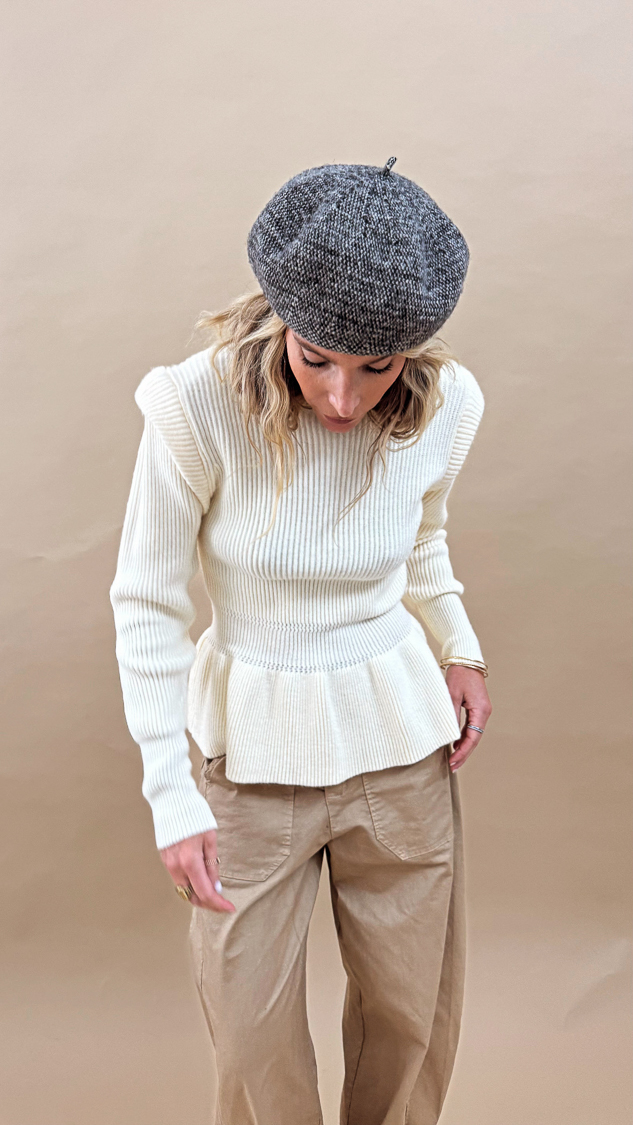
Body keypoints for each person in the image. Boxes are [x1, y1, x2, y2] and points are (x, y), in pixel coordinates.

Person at [109, 156, 492, 1125]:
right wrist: (169, 791)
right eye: (316, 357)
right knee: (252, 1041)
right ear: (281, 315)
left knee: (410, 1020)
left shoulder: (449, 406)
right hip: (248, 760)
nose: (343, 398)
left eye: (377, 366)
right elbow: (147, 602)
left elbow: (422, 537)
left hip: (400, 749)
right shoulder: (193, 406)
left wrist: (458, 646)